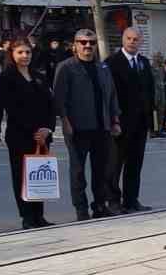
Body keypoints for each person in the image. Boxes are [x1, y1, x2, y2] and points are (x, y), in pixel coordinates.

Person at [52, 29, 121, 220]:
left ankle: (99, 205)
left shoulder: (103, 68)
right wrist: (65, 122)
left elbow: (112, 96)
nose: (87, 46)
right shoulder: (66, 67)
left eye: (91, 42)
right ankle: (81, 210)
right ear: (75, 45)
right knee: (78, 171)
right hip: (77, 128)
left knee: (101, 170)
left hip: (102, 127)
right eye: (83, 42)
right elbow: (59, 98)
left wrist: (115, 120)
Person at [0, 41, 56, 228]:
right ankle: (27, 216)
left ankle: (39, 215)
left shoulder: (39, 76)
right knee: (22, 175)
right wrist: (34, 130)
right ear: (12, 54)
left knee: (39, 174)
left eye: (28, 52)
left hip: (43, 135)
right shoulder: (6, 77)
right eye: (20, 52)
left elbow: (50, 104)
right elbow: (12, 108)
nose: (25, 56)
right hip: (20, 135)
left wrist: (47, 128)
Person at [104, 27, 155, 213]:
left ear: (140, 41)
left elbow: (150, 91)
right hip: (120, 121)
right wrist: (113, 119)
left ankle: (131, 200)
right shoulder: (111, 63)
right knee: (115, 163)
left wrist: (151, 120)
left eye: (135, 39)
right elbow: (109, 94)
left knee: (135, 163)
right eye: (129, 38)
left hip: (140, 122)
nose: (132, 42)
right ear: (123, 40)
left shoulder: (143, 62)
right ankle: (113, 201)